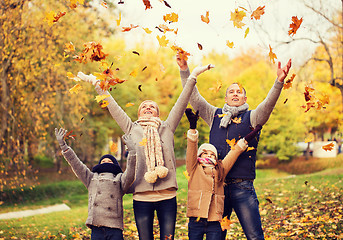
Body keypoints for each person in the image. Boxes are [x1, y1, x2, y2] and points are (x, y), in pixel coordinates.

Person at [76, 63, 214, 240]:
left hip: (167, 195)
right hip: (142, 197)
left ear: (157, 113)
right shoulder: (131, 128)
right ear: (139, 113)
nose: (148, 107)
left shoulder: (167, 127)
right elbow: (112, 105)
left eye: (152, 107)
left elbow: (182, 100)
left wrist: (193, 75)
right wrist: (96, 83)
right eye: (144, 106)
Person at [177, 57, 292, 240]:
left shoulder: (252, 117)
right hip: (216, 188)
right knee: (217, 236)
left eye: (239, 92)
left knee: (254, 236)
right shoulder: (214, 115)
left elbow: (268, 105)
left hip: (242, 187)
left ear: (245, 98)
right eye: (231, 91)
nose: (235, 94)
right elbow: (194, 98)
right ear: (226, 97)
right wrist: (185, 70)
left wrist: (279, 82)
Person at [184, 108, 262, 240]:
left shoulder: (220, 169)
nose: (209, 156)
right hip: (196, 218)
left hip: (215, 220)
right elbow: (192, 147)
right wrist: (192, 128)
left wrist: (249, 137)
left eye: (212, 154)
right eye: (205, 153)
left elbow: (235, 152)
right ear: (199, 155)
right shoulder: (194, 168)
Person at [55, 128, 136, 240]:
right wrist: (64, 146)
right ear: (99, 164)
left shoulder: (120, 179)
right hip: (96, 227)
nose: (106, 162)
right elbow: (76, 164)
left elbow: (131, 172)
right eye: (103, 161)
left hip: (114, 227)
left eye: (109, 161)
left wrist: (132, 152)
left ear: (115, 165)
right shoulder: (91, 177)